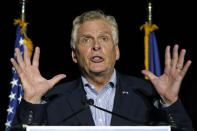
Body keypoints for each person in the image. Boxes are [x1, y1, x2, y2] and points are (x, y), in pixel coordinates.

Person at [11, 10, 193, 129]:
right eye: (86, 40)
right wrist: (32, 101)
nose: (96, 46)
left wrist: (170, 102)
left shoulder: (147, 96)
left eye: (104, 38)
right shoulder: (52, 100)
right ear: (74, 55)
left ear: (117, 51)